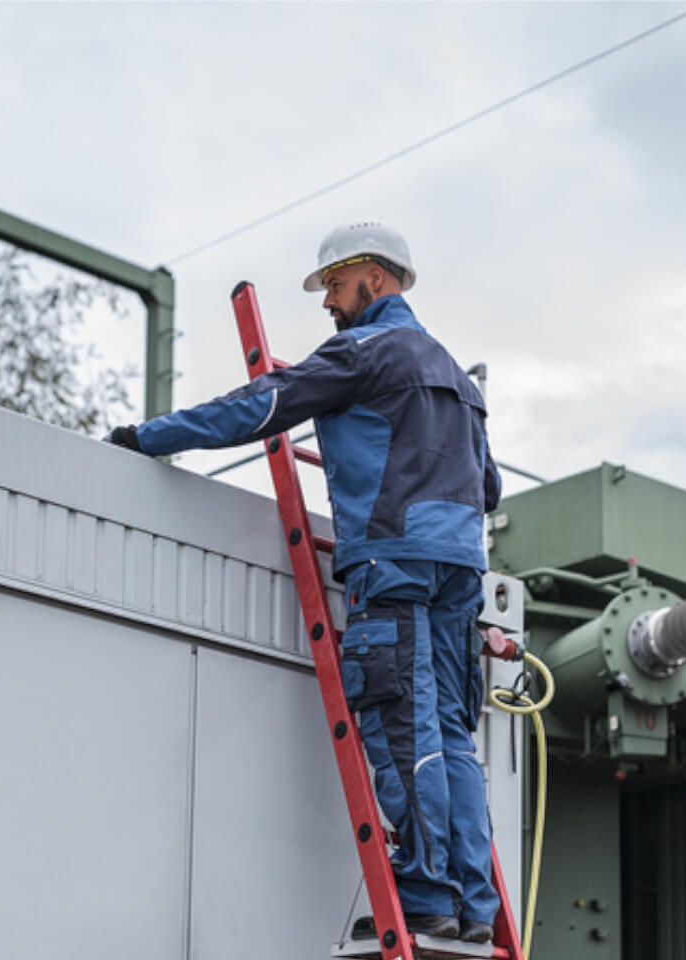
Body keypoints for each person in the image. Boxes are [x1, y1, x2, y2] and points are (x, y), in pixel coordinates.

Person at [108, 221, 502, 943]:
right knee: (450, 732)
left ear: (374, 278)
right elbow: (492, 487)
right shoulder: (455, 375)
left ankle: (424, 892)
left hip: (396, 562)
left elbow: (259, 408)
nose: (327, 302)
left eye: (332, 284)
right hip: (461, 572)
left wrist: (150, 437)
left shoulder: (363, 351)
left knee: (402, 723)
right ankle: (476, 906)